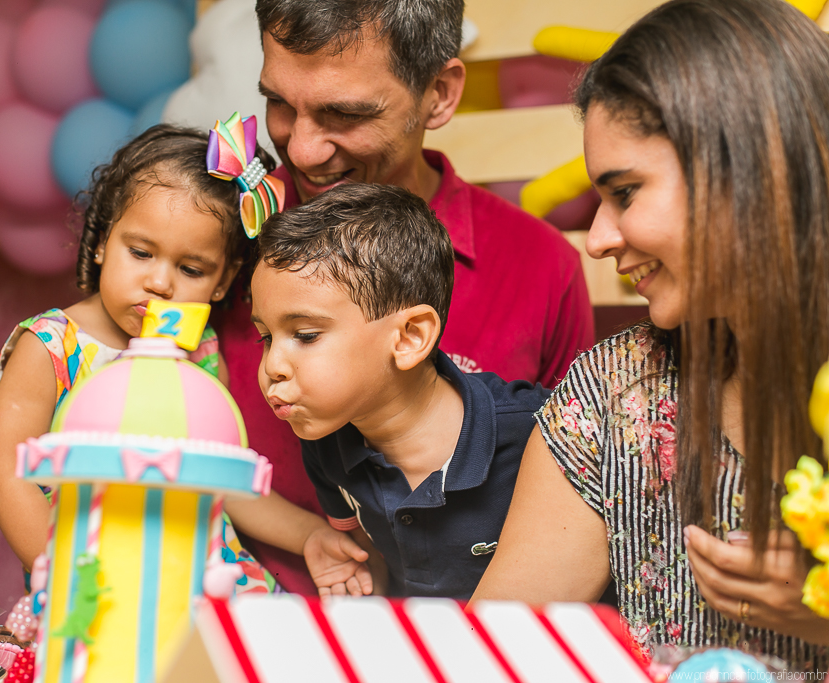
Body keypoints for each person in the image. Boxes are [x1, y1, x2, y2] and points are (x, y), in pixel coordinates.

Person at [470, 0, 829, 670]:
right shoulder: (612, 394)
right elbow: (486, 658)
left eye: (626, 192)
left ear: (752, 169)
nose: (598, 238)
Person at [213, 0, 596, 595]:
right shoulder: (218, 231)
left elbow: (578, 500)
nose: (302, 149)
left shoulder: (542, 268)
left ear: (439, 94)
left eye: (345, 113)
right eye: (280, 103)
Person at [0, 120, 365, 594]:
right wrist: (67, 583)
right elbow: (5, 474)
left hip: (205, 579)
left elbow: (221, 481)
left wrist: (309, 535)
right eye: (141, 253)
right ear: (102, 242)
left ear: (223, 281)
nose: (160, 283)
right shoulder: (51, 347)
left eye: (190, 269)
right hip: (94, 583)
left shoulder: (201, 354)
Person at [251, 183, 550, 597]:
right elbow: (368, 556)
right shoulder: (323, 440)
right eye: (266, 337)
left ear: (410, 337)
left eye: (305, 335)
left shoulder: (541, 437)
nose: (272, 366)